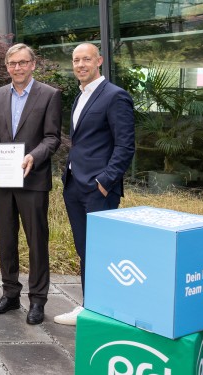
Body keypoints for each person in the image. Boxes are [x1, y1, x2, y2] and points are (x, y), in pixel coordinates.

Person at [0, 43, 61, 325]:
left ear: (33, 65)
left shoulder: (49, 95)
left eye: (23, 63)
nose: (17, 68)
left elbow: (52, 138)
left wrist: (33, 157)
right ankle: (10, 294)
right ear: (7, 67)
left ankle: (37, 300)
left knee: (37, 241)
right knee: (6, 240)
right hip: (2, 179)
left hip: (33, 179)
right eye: (12, 63)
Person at [54, 42, 135, 326]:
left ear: (99, 60)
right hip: (75, 184)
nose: (80, 65)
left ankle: (100, 310)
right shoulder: (81, 96)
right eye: (76, 60)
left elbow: (125, 146)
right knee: (85, 249)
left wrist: (105, 181)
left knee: (101, 250)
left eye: (86, 59)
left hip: (98, 188)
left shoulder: (115, 96)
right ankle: (92, 308)